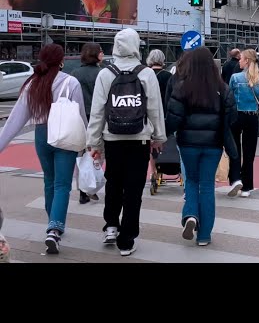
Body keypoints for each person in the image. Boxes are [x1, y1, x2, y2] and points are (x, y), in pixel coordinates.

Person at [86, 28, 166, 256]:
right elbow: (154, 109)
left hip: (112, 139)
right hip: (139, 139)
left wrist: (94, 143)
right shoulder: (147, 73)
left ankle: (111, 226)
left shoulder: (105, 73)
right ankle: (127, 239)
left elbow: (98, 112)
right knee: (133, 189)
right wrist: (158, 136)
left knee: (113, 183)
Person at [0, 44, 87, 254]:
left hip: (41, 135)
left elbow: (15, 119)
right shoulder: (70, 82)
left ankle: (52, 224)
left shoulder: (33, 84)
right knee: (62, 184)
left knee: (49, 181)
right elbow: (80, 116)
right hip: (65, 136)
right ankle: (54, 229)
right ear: (61, 61)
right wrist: (86, 143)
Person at [165, 47, 238, 246]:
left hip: (188, 144)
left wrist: (167, 133)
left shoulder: (182, 87)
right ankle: (204, 235)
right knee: (207, 186)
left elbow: (173, 118)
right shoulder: (222, 88)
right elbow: (232, 117)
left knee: (191, 181)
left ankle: (190, 215)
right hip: (213, 145)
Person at [228, 49, 259, 198]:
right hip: (252, 116)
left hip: (237, 115)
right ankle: (247, 187)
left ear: (247, 61)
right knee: (249, 153)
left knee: (234, 149)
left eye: (241, 59)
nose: (239, 61)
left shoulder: (235, 78)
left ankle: (236, 179)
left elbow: (229, 97)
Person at [71, 42, 103, 204]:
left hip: (80, 119)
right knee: (97, 154)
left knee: (81, 155)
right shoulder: (102, 73)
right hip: (97, 118)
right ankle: (93, 185)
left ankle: (83, 190)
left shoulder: (75, 73)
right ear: (96, 55)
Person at [146, 49, 172, 185]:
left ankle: (153, 172)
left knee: (152, 144)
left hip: (150, 114)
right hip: (166, 114)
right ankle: (165, 167)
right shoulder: (169, 76)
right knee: (165, 142)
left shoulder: (146, 75)